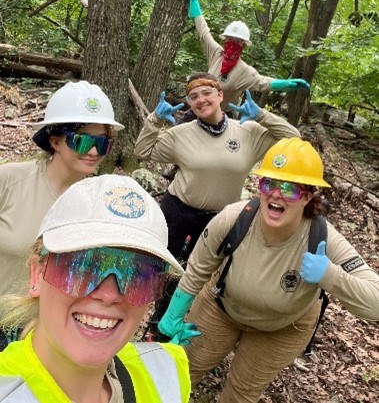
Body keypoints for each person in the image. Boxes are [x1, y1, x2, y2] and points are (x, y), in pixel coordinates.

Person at [158, 137, 379, 402]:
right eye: (269, 183)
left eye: (290, 188)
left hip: (283, 327)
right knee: (185, 367)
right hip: (222, 307)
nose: (276, 193)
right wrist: (172, 317)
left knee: (242, 393)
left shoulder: (322, 238)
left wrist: (330, 276)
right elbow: (197, 270)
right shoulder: (234, 219)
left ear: (308, 196)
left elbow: (375, 302)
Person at [134, 73, 300, 338]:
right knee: (172, 272)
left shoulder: (248, 132)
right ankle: (158, 329)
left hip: (223, 220)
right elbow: (142, 151)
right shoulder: (181, 134)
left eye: (207, 93)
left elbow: (294, 139)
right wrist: (154, 120)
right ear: (189, 104)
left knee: (210, 276)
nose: (201, 100)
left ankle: (197, 327)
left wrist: (261, 116)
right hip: (180, 214)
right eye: (193, 96)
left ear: (221, 95)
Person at [0, 174, 191, 403]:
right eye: (81, 267)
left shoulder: (167, 373)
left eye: (136, 274)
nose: (109, 294)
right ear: (37, 274)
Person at [0, 80, 124, 349]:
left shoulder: (101, 202)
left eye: (102, 144)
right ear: (54, 141)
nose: (93, 152)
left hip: (50, 334)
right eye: (82, 141)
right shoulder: (9, 182)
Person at [187, 0, 309, 113]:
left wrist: (285, 84)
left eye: (238, 41)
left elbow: (262, 82)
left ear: (243, 46)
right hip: (200, 112)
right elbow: (204, 32)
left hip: (221, 118)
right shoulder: (216, 54)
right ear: (225, 40)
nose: (232, 43)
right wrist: (194, 1)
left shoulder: (244, 71)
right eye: (230, 38)